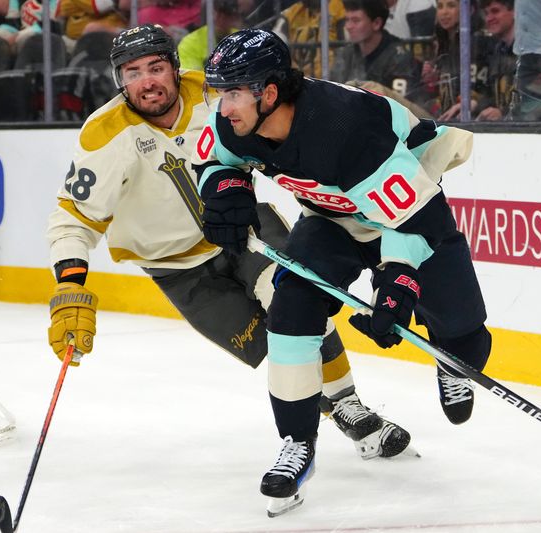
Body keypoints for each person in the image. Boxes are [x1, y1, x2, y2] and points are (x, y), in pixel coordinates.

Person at [45, 24, 412, 482]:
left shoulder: (216, 92)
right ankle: (331, 411)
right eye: (133, 72)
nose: (147, 81)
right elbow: (73, 218)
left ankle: (349, 405)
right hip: (178, 269)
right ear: (119, 80)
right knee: (273, 349)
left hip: (246, 231)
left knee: (297, 313)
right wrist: (69, 287)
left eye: (156, 68)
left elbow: (291, 105)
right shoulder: (103, 135)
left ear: (175, 68)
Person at [195, 28, 491, 515]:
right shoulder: (234, 122)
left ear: (269, 93)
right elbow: (212, 159)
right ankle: (297, 445)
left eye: (232, 93)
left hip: (410, 213)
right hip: (331, 220)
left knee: (465, 335)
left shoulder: (347, 128)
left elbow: (414, 219)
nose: (222, 106)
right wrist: (224, 187)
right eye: (219, 92)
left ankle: (449, 356)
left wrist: (397, 284)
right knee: (290, 312)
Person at [330, 0, 418, 100]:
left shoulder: (399, 57)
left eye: (355, 21)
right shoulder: (345, 54)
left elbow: (400, 103)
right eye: (347, 20)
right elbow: (332, 93)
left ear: (376, 23)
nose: (348, 26)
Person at [271, 0, 346, 77]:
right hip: (297, 79)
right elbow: (275, 37)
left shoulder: (339, 8)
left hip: (329, 78)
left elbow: (347, 46)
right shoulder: (292, 12)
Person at [177, 0, 244, 71]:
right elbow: (191, 75)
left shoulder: (241, 38)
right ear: (210, 14)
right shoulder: (189, 42)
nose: (221, 19)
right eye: (218, 14)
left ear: (235, 17)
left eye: (227, 15)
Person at [476, 0, 515, 121]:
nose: (489, 18)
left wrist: (503, 113)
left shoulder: (531, 52)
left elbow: (538, 101)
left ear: (514, 12)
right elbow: (492, 95)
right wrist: (474, 104)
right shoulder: (497, 50)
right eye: (486, 13)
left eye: (495, 11)